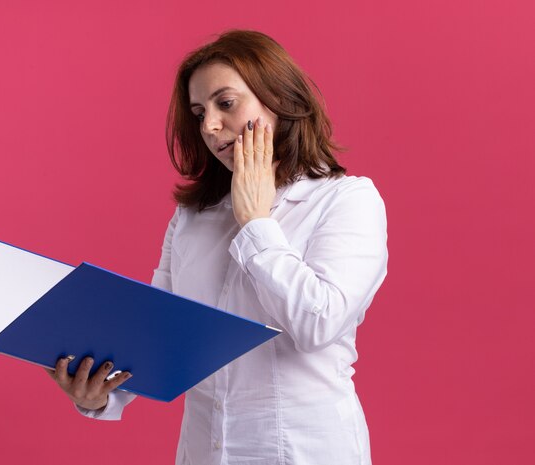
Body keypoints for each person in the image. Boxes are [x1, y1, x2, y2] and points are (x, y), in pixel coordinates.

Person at [46, 29, 388, 465]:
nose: (209, 126)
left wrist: (256, 222)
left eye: (226, 104)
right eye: (198, 112)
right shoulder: (192, 217)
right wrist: (101, 394)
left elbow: (317, 324)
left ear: (280, 98)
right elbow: (161, 333)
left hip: (306, 450)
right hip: (204, 450)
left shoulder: (346, 199)